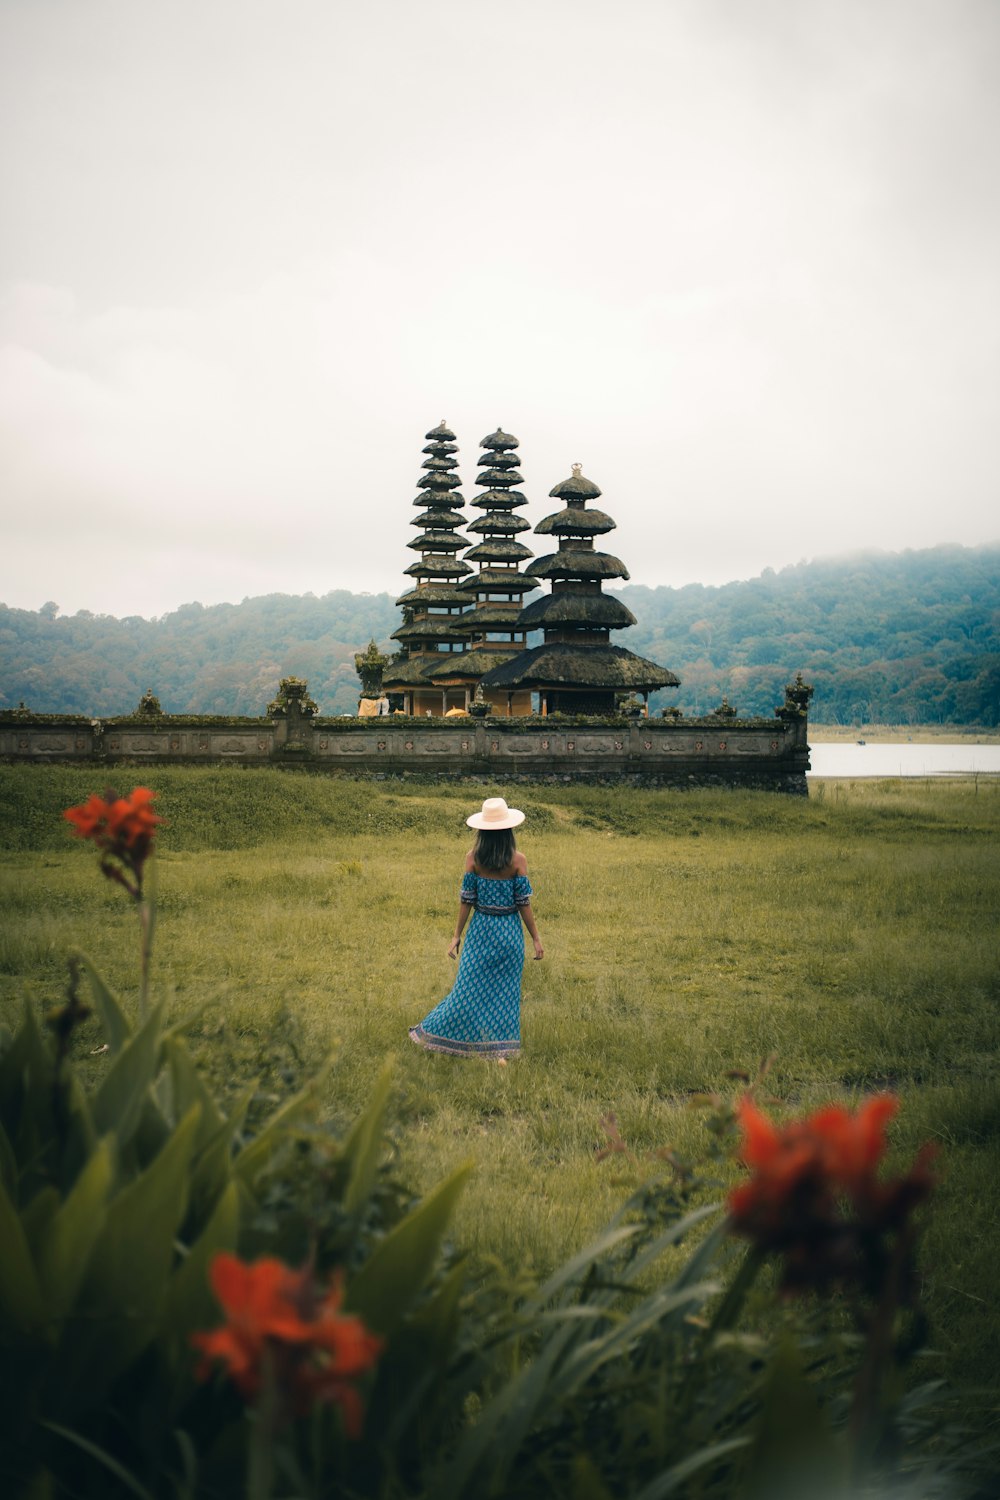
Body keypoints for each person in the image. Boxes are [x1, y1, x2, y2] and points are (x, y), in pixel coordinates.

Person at [408, 797, 543, 1060]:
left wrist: (456, 935)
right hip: (509, 934)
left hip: (480, 931)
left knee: (466, 989)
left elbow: (466, 900)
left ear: (482, 830)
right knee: (505, 994)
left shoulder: (473, 859)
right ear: (509, 830)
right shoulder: (518, 860)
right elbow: (523, 904)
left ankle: (439, 1035)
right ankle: (498, 1050)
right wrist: (536, 938)